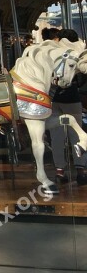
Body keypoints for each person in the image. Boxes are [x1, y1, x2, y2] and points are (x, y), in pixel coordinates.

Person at [49, 28, 87, 184]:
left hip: (54, 98)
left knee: (57, 137)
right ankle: (81, 170)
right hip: (72, 98)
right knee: (76, 135)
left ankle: (60, 171)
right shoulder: (78, 53)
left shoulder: (56, 53)